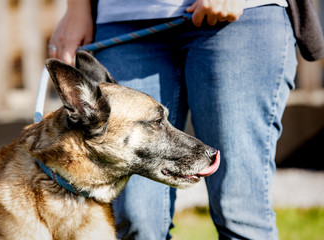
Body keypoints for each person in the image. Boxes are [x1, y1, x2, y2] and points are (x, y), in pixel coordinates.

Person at [48, 0, 298, 239]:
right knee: (136, 220)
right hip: (124, 16)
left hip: (240, 16)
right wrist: (76, 7)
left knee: (240, 213)